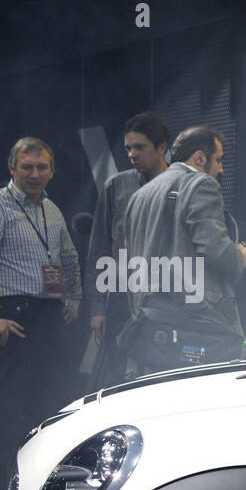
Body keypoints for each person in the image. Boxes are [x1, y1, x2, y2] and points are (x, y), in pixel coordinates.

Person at [0, 137, 82, 490]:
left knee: (48, 407)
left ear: (52, 171)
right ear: (11, 169)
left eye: (42, 167)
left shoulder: (51, 209)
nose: (34, 174)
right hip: (12, 316)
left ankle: (30, 486)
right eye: (26, 167)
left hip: (48, 318)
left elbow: (68, 257)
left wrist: (72, 299)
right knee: (2, 408)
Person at [120, 125, 246, 376]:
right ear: (199, 158)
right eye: (218, 160)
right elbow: (216, 250)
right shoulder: (201, 184)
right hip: (195, 325)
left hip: (149, 327)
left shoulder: (139, 196)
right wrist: (241, 256)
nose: (221, 169)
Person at [85, 112, 170, 387]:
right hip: (123, 298)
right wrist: (98, 307)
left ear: (161, 147)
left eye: (140, 147)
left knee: (164, 376)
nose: (132, 154)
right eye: (128, 148)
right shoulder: (117, 187)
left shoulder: (185, 187)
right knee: (119, 379)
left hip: (169, 299)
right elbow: (99, 249)